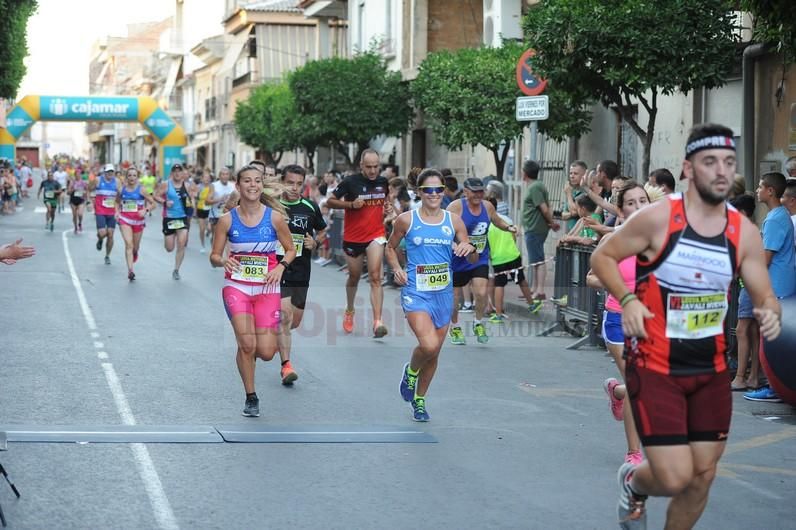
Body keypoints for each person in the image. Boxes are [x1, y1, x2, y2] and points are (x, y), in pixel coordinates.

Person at [590, 123, 781, 530]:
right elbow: (602, 258)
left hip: (709, 370)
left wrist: (768, 310)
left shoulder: (742, 232)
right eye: (709, 161)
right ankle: (634, 482)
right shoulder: (657, 219)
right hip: (656, 365)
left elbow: (763, 291)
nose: (720, 170)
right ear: (688, 168)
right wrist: (626, 300)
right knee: (674, 475)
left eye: (728, 162)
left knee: (702, 477)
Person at [387, 169, 475, 421]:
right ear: (419, 192)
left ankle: (420, 400)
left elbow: (469, 251)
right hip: (416, 292)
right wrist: (396, 268)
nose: (434, 194)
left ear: (444, 191)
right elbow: (391, 248)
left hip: (443, 294)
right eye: (428, 190)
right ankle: (411, 372)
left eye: (438, 189)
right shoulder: (406, 220)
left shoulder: (454, 221)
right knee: (428, 345)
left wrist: (468, 247)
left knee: (434, 352)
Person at [209, 164, 296, 417]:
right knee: (247, 345)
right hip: (236, 287)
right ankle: (251, 396)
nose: (253, 185)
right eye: (247, 181)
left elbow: (290, 249)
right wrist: (224, 260)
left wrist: (281, 267)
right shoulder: (227, 220)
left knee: (267, 352)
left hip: (267, 287)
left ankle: (246, 353)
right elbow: (214, 256)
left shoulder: (274, 218)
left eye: (257, 181)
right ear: (238, 186)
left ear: (262, 185)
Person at [586, 182, 651, 466]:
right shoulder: (612, 242)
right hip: (617, 321)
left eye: (643, 201)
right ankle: (634, 453)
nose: (638, 207)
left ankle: (617, 392)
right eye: (631, 202)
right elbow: (591, 277)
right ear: (621, 209)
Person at [741, 172, 795, 403]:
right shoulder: (781, 215)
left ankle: (773, 387)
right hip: (781, 286)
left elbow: (765, 259)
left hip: (776, 288)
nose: (757, 190)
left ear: (770, 191)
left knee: (771, 340)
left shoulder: (774, 219)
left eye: (761, 186)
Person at [326, 149, 390, 337]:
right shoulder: (350, 182)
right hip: (353, 237)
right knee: (354, 276)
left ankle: (378, 321)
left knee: (375, 276)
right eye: (368, 167)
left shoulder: (383, 182)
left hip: (375, 234)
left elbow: (385, 201)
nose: (372, 171)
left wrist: (387, 208)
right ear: (361, 165)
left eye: (376, 167)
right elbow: (329, 202)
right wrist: (350, 205)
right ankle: (350, 310)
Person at [446, 177, 516, 345]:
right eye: (475, 191)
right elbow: (444, 228)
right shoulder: (455, 207)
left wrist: (508, 227)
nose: (478, 195)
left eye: (481, 191)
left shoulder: (487, 206)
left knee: (481, 293)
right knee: (454, 298)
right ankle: (455, 327)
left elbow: (496, 220)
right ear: (465, 192)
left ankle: (478, 323)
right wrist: (453, 244)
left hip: (479, 257)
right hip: (458, 258)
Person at [275, 164, 327, 385]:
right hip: (278, 268)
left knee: (293, 322)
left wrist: (315, 242)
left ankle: (276, 330)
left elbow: (322, 230)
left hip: (302, 270)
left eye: (299, 184)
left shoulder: (309, 207)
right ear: (282, 181)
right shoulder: (272, 205)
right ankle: (286, 366)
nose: (294, 188)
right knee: (285, 317)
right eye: (290, 183)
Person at [486, 197, 534, 322]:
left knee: (499, 285)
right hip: (513, 255)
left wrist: (490, 255)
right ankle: (532, 304)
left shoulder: (485, 223)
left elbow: (486, 243)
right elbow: (513, 235)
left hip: (497, 258)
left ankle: (498, 314)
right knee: (521, 280)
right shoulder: (506, 219)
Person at [521, 160, 560, 313]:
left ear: (525, 172)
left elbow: (544, 208)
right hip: (534, 227)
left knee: (538, 259)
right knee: (535, 259)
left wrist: (552, 222)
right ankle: (536, 289)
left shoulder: (535, 187)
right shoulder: (536, 186)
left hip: (535, 228)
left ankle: (540, 290)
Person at [117, 167, 155, 281]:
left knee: (135, 246)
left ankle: (135, 252)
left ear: (137, 177)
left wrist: (146, 210)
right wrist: (116, 212)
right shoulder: (122, 189)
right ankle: (130, 271)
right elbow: (116, 202)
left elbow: (153, 203)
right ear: (126, 177)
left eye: (134, 175)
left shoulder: (141, 190)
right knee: (129, 244)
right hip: (125, 220)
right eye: (129, 175)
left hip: (138, 221)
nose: (132, 178)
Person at [154, 164, 191, 280]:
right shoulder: (166, 184)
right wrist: (165, 202)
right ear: (172, 173)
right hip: (169, 218)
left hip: (182, 218)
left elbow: (192, 198)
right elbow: (156, 196)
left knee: (181, 244)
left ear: (182, 173)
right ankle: (172, 235)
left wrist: (191, 204)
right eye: (175, 171)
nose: (177, 173)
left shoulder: (187, 185)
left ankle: (176, 269)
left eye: (179, 171)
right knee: (169, 248)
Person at [89, 163, 121, 264]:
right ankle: (100, 239)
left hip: (112, 212)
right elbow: (89, 189)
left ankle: (107, 256)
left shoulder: (117, 182)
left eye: (112, 172)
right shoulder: (98, 180)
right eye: (108, 172)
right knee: (103, 233)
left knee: (111, 235)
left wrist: (119, 209)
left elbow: (121, 195)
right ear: (104, 172)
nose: (110, 174)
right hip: (100, 211)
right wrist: (89, 201)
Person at [207, 167, 235, 244]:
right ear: (219, 176)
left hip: (228, 215)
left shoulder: (233, 185)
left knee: (226, 239)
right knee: (216, 237)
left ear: (229, 175)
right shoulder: (214, 185)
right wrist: (219, 199)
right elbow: (207, 201)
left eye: (226, 174)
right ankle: (214, 252)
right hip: (215, 215)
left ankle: (222, 254)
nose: (225, 176)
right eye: (223, 174)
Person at [563, 161, 588, 231]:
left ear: (584, 175)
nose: (572, 176)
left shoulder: (586, 191)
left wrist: (568, 194)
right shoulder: (572, 191)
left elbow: (574, 212)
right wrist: (572, 213)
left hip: (582, 233)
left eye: (575, 173)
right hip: (571, 231)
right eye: (570, 173)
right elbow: (563, 215)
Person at [195, 171, 214, 253]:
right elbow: (195, 198)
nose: (206, 179)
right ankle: (203, 245)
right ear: (202, 179)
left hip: (210, 209)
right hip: (200, 209)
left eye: (208, 178)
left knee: (210, 228)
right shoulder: (199, 187)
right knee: (201, 229)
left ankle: (208, 232)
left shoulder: (212, 187)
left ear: (210, 179)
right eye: (205, 178)